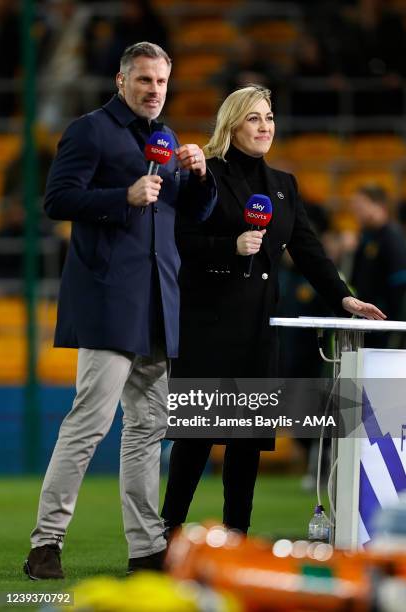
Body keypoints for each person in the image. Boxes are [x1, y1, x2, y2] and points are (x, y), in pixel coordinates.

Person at [23, 41, 217, 580]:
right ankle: (46, 543)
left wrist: (200, 177)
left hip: (158, 303)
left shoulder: (166, 138)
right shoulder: (90, 130)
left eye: (162, 82)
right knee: (89, 424)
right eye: (145, 81)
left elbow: (188, 215)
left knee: (147, 430)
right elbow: (57, 200)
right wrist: (120, 197)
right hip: (110, 301)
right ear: (121, 80)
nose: (155, 91)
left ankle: (145, 548)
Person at [161, 85, 386, 537]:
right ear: (232, 125)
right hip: (207, 325)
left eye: (269, 118)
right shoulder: (208, 174)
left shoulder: (283, 185)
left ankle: (236, 537)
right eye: (254, 118)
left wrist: (343, 297)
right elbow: (178, 240)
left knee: (246, 445)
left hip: (258, 330)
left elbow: (308, 249)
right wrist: (231, 247)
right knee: (197, 439)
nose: (265, 127)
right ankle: (166, 534)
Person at [350, 184, 406, 346]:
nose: (356, 212)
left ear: (378, 205)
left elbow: (400, 285)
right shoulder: (366, 237)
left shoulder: (391, 238)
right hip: (367, 320)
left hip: (384, 323)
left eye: (361, 205)